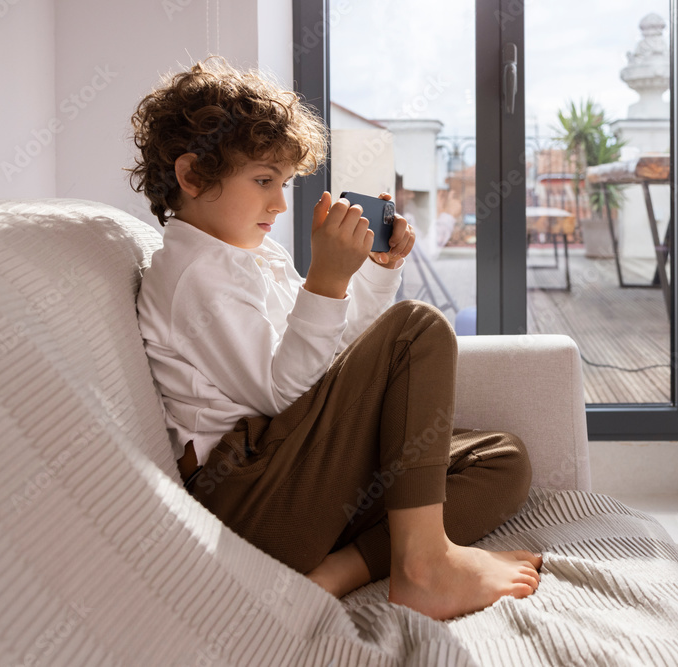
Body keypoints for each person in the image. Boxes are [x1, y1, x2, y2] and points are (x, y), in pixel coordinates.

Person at [127, 56, 542, 621]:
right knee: (417, 328)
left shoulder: (256, 255)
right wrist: (325, 279)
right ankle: (423, 567)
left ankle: (339, 571)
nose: (279, 203)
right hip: (250, 500)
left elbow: (332, 354)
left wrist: (373, 273)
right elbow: (281, 392)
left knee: (501, 459)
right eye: (263, 181)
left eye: (284, 183)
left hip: (298, 475)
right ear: (193, 175)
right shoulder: (193, 276)